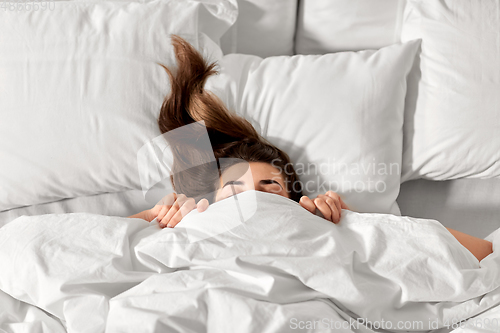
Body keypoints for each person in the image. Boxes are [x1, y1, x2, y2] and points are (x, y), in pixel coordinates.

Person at [129, 35, 493, 262]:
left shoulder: (321, 228)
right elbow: (84, 249)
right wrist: (150, 221)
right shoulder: (190, 224)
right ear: (211, 197)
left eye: (270, 185)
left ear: (295, 201)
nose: (253, 197)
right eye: (234, 188)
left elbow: (483, 253)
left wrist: (356, 223)